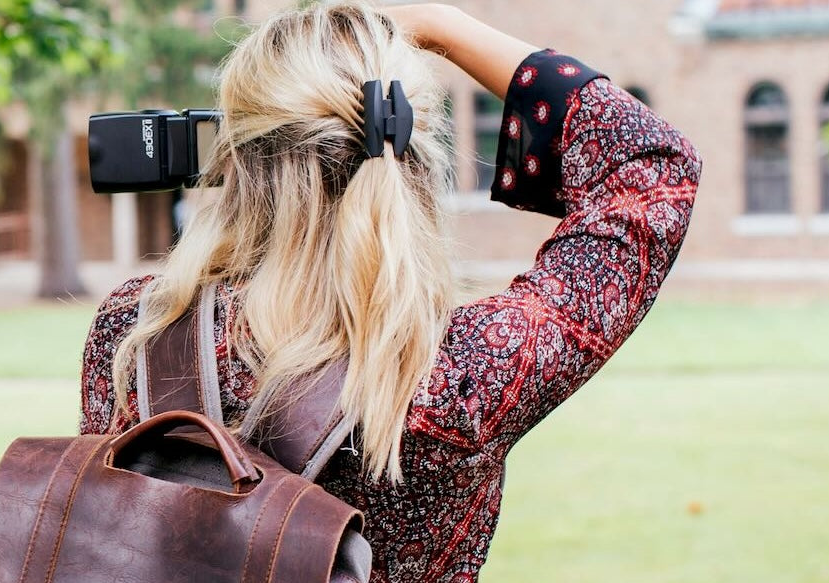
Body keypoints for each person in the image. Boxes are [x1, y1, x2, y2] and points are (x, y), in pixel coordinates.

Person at [77, 2, 700, 581]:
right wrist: (440, 25)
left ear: (231, 158)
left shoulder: (136, 332)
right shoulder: (463, 369)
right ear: (416, 158)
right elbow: (652, 168)